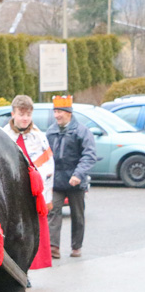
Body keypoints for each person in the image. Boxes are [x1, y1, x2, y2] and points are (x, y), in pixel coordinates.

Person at [2, 95, 54, 273]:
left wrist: (44, 194)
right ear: (13, 113)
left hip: (32, 195)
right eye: (21, 114)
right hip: (11, 196)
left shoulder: (39, 137)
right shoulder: (2, 136)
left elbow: (48, 166)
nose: (25, 118)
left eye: (28, 115)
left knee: (29, 235)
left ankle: (27, 269)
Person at [46, 95, 97, 259]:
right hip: (57, 182)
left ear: (69, 113)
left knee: (78, 216)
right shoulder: (51, 131)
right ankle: (54, 247)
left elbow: (89, 156)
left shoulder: (82, 131)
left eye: (60, 111)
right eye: (55, 111)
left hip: (76, 182)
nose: (56, 115)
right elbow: (46, 156)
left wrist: (78, 174)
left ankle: (76, 246)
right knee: (53, 213)